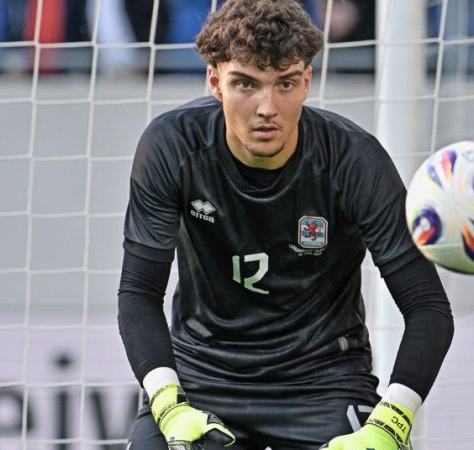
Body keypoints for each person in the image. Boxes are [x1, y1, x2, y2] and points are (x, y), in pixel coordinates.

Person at [117, 1, 454, 448]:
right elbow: (139, 294)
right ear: (215, 81)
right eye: (245, 84)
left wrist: (391, 423)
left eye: (286, 83)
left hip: (324, 384)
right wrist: (168, 404)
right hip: (202, 380)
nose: (267, 108)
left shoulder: (354, 159)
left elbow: (429, 309)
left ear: (307, 81)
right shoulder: (173, 146)